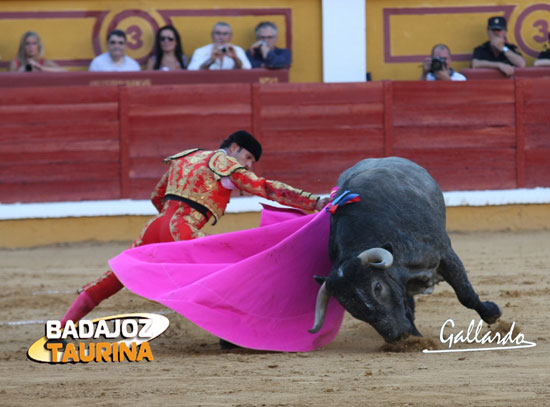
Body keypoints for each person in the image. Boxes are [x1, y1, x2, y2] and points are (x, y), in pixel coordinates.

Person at [58, 130, 329, 340]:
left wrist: (168, 222)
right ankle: (236, 336)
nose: (248, 166)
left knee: (114, 278)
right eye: (248, 158)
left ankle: (62, 329)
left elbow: (157, 195)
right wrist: (313, 202)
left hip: (155, 225)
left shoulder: (186, 157)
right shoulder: (226, 164)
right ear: (234, 148)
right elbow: (265, 188)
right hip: (184, 229)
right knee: (230, 276)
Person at [187, 22, 251, 70]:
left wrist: (235, 58)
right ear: (212, 35)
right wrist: (211, 60)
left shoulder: (238, 50)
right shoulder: (201, 51)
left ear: (230, 37)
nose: (221, 37)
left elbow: (247, 69)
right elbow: (192, 71)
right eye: (218, 33)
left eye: (225, 34)